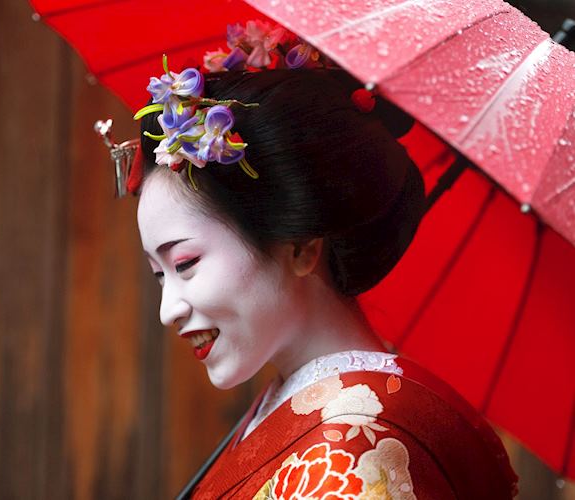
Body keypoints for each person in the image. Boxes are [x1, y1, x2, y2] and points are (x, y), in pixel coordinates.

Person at [129, 21, 518, 499]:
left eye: (185, 263)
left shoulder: (353, 447)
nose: (169, 309)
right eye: (158, 274)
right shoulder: (295, 405)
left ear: (300, 246)